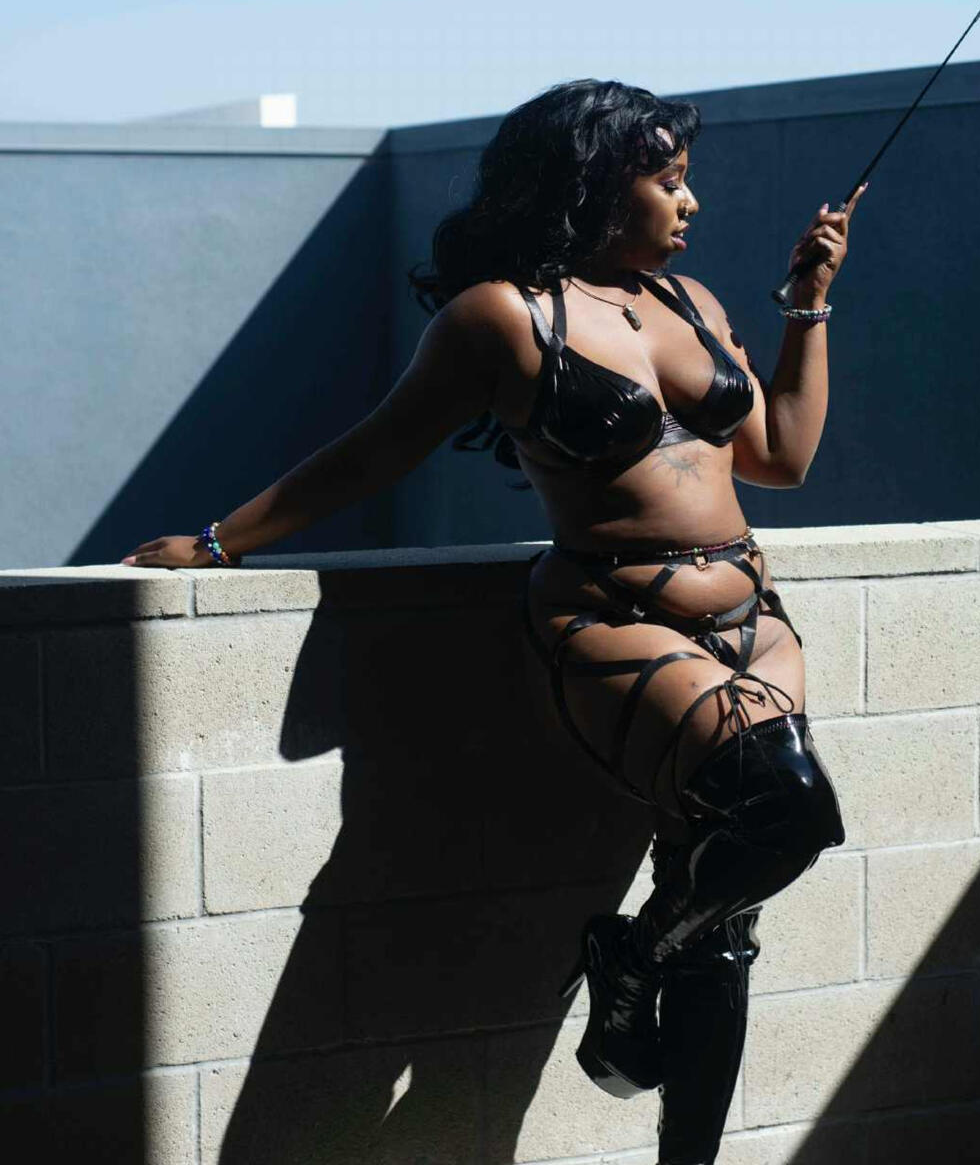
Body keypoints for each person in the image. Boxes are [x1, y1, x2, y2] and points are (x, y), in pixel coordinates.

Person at [122, 79, 864, 1165]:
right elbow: (375, 452)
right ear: (593, 182)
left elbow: (782, 456)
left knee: (724, 924)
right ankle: (628, 958)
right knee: (786, 808)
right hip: (616, 620)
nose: (690, 202)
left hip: (755, 617)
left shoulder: (693, 301)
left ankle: (671, 1084)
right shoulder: (503, 316)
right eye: (668, 180)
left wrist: (806, 305)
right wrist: (221, 541)